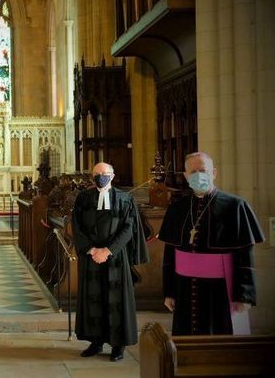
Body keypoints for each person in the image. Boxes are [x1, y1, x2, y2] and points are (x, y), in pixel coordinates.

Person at [159, 152, 264, 335]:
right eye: (193, 172)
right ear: (185, 176)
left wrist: (244, 295)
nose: (198, 175)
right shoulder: (177, 209)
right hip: (184, 288)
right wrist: (169, 291)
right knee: (186, 341)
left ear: (214, 173)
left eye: (203, 170)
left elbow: (245, 254)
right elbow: (170, 253)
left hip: (221, 290)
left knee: (223, 341)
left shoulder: (235, 206)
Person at [71, 162, 148, 362]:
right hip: (91, 257)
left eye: (104, 174)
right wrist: (91, 249)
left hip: (116, 258)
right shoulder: (83, 198)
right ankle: (95, 342)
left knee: (116, 301)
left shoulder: (125, 199)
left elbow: (129, 228)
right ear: (91, 177)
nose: (101, 177)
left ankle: (118, 345)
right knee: (93, 299)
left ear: (112, 176)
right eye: (97, 174)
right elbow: (77, 226)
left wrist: (108, 250)